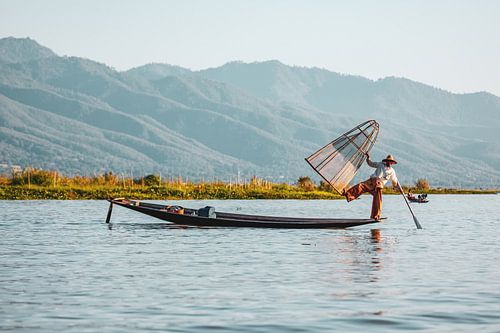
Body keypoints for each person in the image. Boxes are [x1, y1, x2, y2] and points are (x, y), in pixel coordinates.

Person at [342, 153, 399, 221]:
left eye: (390, 162)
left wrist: (396, 186)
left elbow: (394, 180)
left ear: (392, 163)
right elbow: (371, 164)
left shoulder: (392, 171)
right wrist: (368, 158)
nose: (389, 163)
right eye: (388, 161)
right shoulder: (380, 164)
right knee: (361, 186)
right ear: (386, 161)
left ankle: (375, 216)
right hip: (372, 181)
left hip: (379, 185)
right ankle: (348, 194)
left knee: (377, 200)